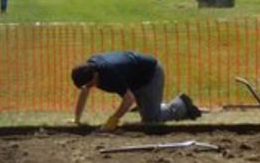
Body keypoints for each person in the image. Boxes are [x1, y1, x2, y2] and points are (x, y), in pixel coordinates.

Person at [71, 51, 201, 131]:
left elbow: (129, 99)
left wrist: (114, 120)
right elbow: (84, 92)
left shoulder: (109, 74)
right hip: (135, 79)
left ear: (94, 75)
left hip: (150, 75)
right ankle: (156, 106)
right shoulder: (90, 68)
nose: (90, 87)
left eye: (90, 84)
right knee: (147, 115)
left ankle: (182, 104)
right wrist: (77, 119)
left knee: (152, 120)